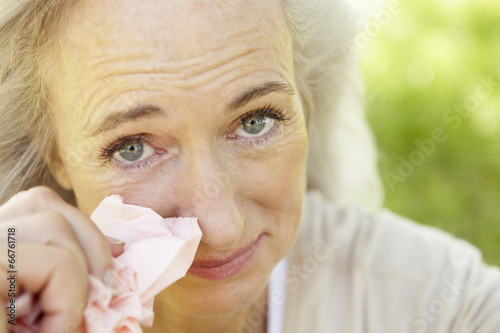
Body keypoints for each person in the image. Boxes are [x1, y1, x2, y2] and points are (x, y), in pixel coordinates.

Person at [0, 0, 498, 332]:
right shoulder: (12, 298)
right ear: (54, 154)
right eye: (133, 147)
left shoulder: (443, 305)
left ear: (306, 100)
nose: (220, 227)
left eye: (256, 121)